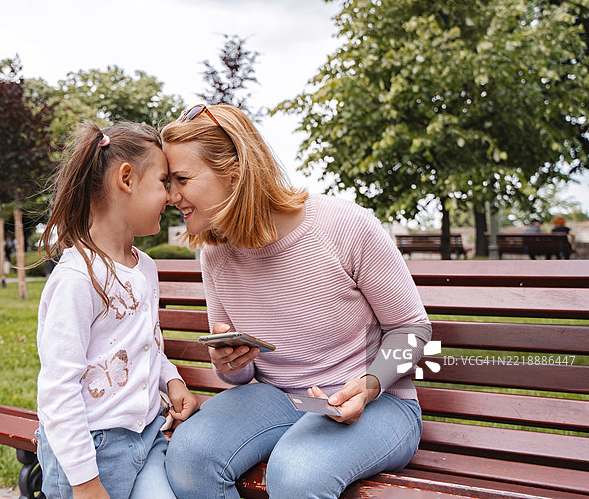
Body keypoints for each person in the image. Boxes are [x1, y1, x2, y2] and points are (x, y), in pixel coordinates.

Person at [160, 104, 432, 499]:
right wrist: (230, 362)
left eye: (181, 179)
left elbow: (412, 328)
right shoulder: (216, 254)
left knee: (296, 474)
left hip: (377, 402)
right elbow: (239, 375)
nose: (171, 196)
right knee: (188, 458)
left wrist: (371, 384)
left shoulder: (342, 225)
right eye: (168, 182)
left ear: (234, 175)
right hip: (278, 400)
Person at [35, 122, 199, 499]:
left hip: (146, 438)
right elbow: (58, 391)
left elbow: (146, 344)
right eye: (163, 182)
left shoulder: (145, 267)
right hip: (90, 451)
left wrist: (171, 380)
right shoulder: (78, 278)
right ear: (126, 179)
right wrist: (85, 482)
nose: (172, 196)